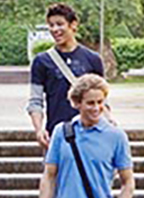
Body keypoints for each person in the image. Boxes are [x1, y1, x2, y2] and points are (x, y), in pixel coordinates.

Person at [26, 3, 105, 150]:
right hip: (57, 133)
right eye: (51, 25)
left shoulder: (93, 59)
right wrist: (39, 130)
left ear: (73, 25)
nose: (55, 30)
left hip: (90, 132)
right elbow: (35, 101)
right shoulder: (42, 61)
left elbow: (101, 100)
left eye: (60, 24)